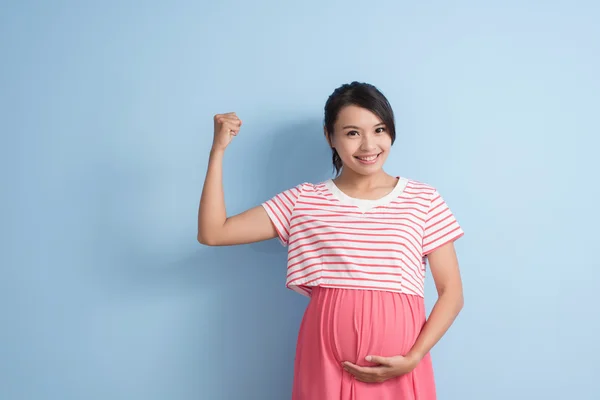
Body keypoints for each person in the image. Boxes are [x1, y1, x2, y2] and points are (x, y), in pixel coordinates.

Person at [197, 81, 465, 399]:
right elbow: (214, 232)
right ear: (330, 136)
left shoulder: (424, 199)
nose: (368, 145)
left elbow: (451, 293)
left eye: (379, 130)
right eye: (353, 133)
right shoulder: (305, 200)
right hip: (326, 364)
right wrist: (218, 151)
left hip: (402, 366)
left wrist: (414, 357)